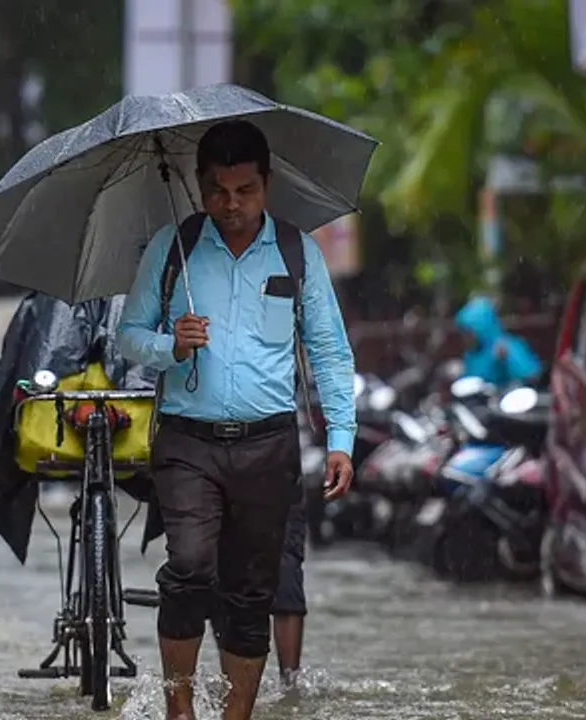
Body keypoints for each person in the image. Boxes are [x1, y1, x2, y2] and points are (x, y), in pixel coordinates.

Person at [118, 120, 356, 720]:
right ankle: (179, 709)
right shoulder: (171, 251)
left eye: (244, 190)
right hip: (186, 442)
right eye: (219, 190)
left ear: (266, 186)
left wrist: (341, 439)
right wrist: (170, 345)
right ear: (200, 186)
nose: (231, 204)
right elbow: (129, 337)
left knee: (252, 592)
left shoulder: (299, 253)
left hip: (268, 445)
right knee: (191, 565)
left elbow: (328, 350)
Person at [454, 296, 542, 387]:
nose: (465, 338)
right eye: (463, 333)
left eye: (469, 333)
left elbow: (530, 375)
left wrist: (505, 363)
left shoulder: (508, 347)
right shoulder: (471, 355)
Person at [270, 501, 309, 688]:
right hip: (218, 477)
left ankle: (290, 685)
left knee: (286, 572)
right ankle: (233, 685)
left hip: (282, 480)